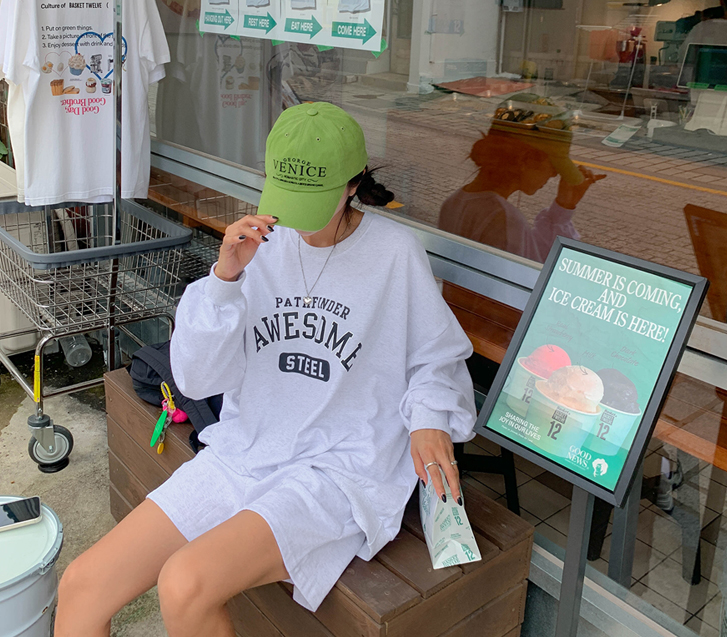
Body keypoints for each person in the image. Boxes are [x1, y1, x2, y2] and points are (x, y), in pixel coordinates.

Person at [55, 102, 477, 636]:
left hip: (337, 467)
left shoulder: (395, 253)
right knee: (82, 584)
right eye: (287, 196)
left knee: (184, 582)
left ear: (353, 185)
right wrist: (224, 280)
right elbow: (197, 379)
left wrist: (429, 419)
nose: (296, 219)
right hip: (247, 447)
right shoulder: (258, 245)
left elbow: (436, 357)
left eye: (312, 200)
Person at [438, 122, 605, 263]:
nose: (554, 174)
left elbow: (531, 254)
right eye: (554, 165)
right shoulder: (505, 220)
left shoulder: (453, 202)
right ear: (525, 160)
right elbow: (539, 274)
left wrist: (564, 206)